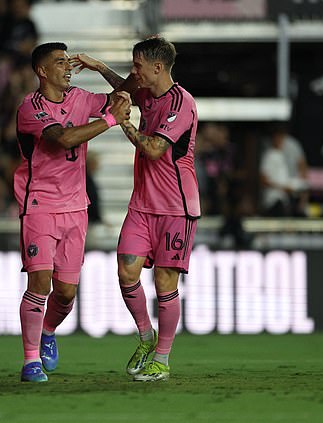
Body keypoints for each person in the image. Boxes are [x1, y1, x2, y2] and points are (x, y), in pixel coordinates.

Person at [71, 36, 200, 382]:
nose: (133, 71)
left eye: (138, 65)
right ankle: (146, 337)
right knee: (127, 273)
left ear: (157, 68)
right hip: (142, 205)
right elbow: (124, 88)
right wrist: (99, 67)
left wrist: (122, 121)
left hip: (176, 208)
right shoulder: (147, 93)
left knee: (163, 281)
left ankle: (162, 359)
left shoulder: (181, 103)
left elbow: (156, 148)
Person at [15, 42, 131, 382]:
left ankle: (48, 330)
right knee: (40, 281)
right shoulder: (30, 108)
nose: (67, 67)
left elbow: (129, 91)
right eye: (60, 62)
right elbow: (62, 139)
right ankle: (30, 360)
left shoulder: (80, 97)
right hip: (39, 204)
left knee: (65, 292)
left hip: (76, 208)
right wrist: (110, 120)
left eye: (69, 61)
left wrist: (100, 67)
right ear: (42, 71)